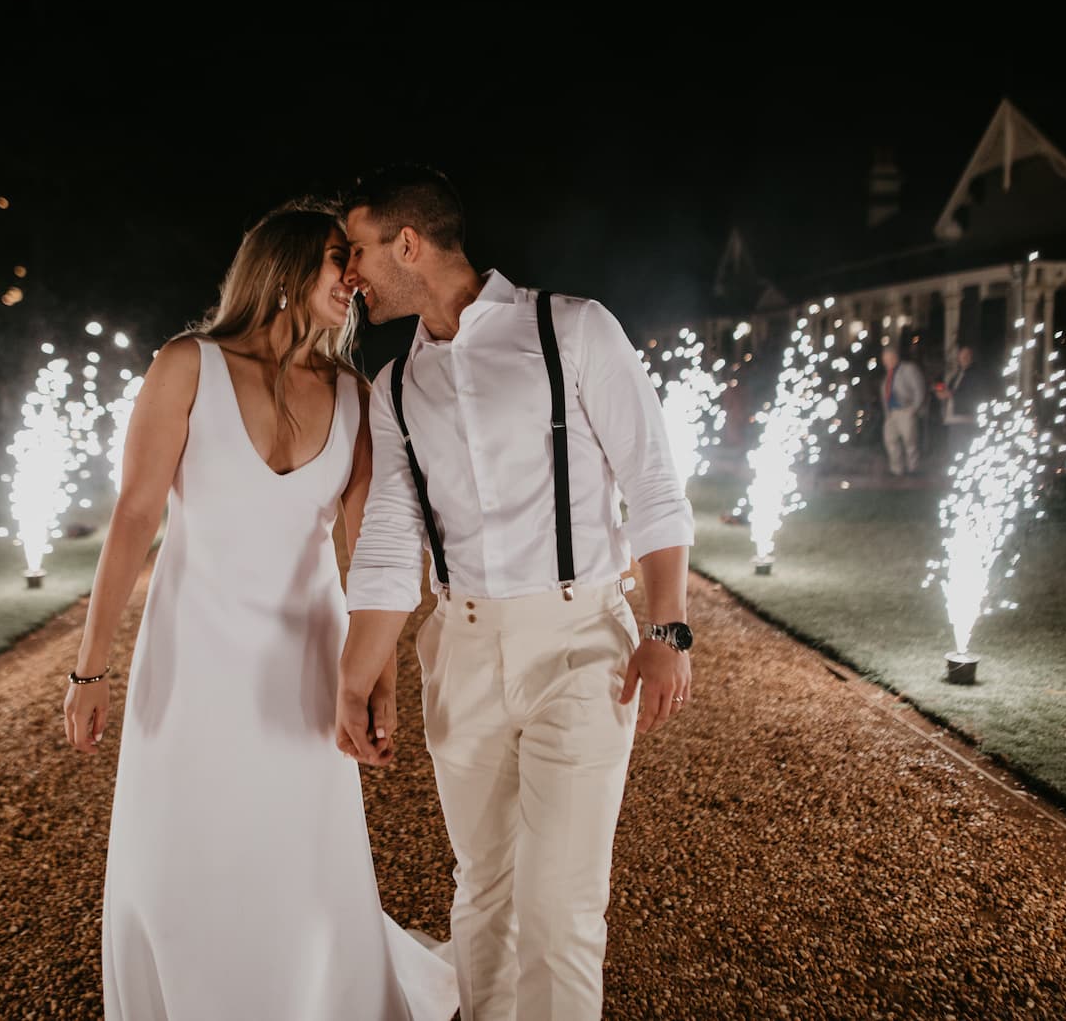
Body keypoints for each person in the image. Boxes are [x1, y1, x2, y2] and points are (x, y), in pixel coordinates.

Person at [63, 199, 458, 1020]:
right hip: (191, 657)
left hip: (304, 669)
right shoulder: (186, 365)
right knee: (180, 852)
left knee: (297, 859)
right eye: (334, 259)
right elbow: (135, 517)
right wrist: (89, 667)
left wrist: (376, 677)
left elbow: (374, 557)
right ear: (280, 269)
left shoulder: (356, 397)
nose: (354, 277)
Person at [332, 165, 695, 1021]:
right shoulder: (395, 387)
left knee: (560, 906)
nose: (349, 272)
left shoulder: (572, 330)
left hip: (581, 645)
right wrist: (358, 673)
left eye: (358, 250)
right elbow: (389, 536)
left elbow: (652, 479)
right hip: (458, 648)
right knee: (483, 893)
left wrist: (668, 626)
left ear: (408, 243)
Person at [933, 344, 996, 467]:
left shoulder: (975, 375)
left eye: (967, 356)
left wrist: (950, 394)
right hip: (954, 416)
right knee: (954, 447)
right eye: (962, 356)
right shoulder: (958, 374)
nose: (964, 359)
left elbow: (973, 395)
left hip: (965, 417)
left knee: (962, 448)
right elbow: (952, 390)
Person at [879, 345, 927, 476]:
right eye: (884, 360)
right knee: (890, 440)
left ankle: (913, 468)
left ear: (895, 357)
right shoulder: (888, 375)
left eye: (888, 359)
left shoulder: (908, 369)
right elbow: (886, 394)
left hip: (906, 409)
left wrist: (915, 408)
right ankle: (897, 469)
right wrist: (887, 413)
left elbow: (919, 389)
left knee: (910, 441)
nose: (885, 362)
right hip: (892, 412)